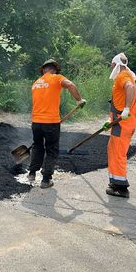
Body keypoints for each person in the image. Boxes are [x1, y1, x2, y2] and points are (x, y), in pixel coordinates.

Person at [28, 59, 86, 188]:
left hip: (36, 122)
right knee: (52, 149)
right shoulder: (56, 78)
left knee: (37, 146)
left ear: (44, 70)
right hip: (51, 122)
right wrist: (79, 100)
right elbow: (70, 84)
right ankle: (46, 179)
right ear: (54, 70)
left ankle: (32, 173)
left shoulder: (36, 83)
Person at [106, 53, 136, 198]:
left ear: (116, 64)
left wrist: (126, 109)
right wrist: (110, 120)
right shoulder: (127, 75)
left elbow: (130, 88)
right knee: (113, 149)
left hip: (123, 123)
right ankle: (115, 182)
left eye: (112, 65)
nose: (112, 67)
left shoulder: (123, 76)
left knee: (118, 153)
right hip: (121, 122)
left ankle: (121, 187)